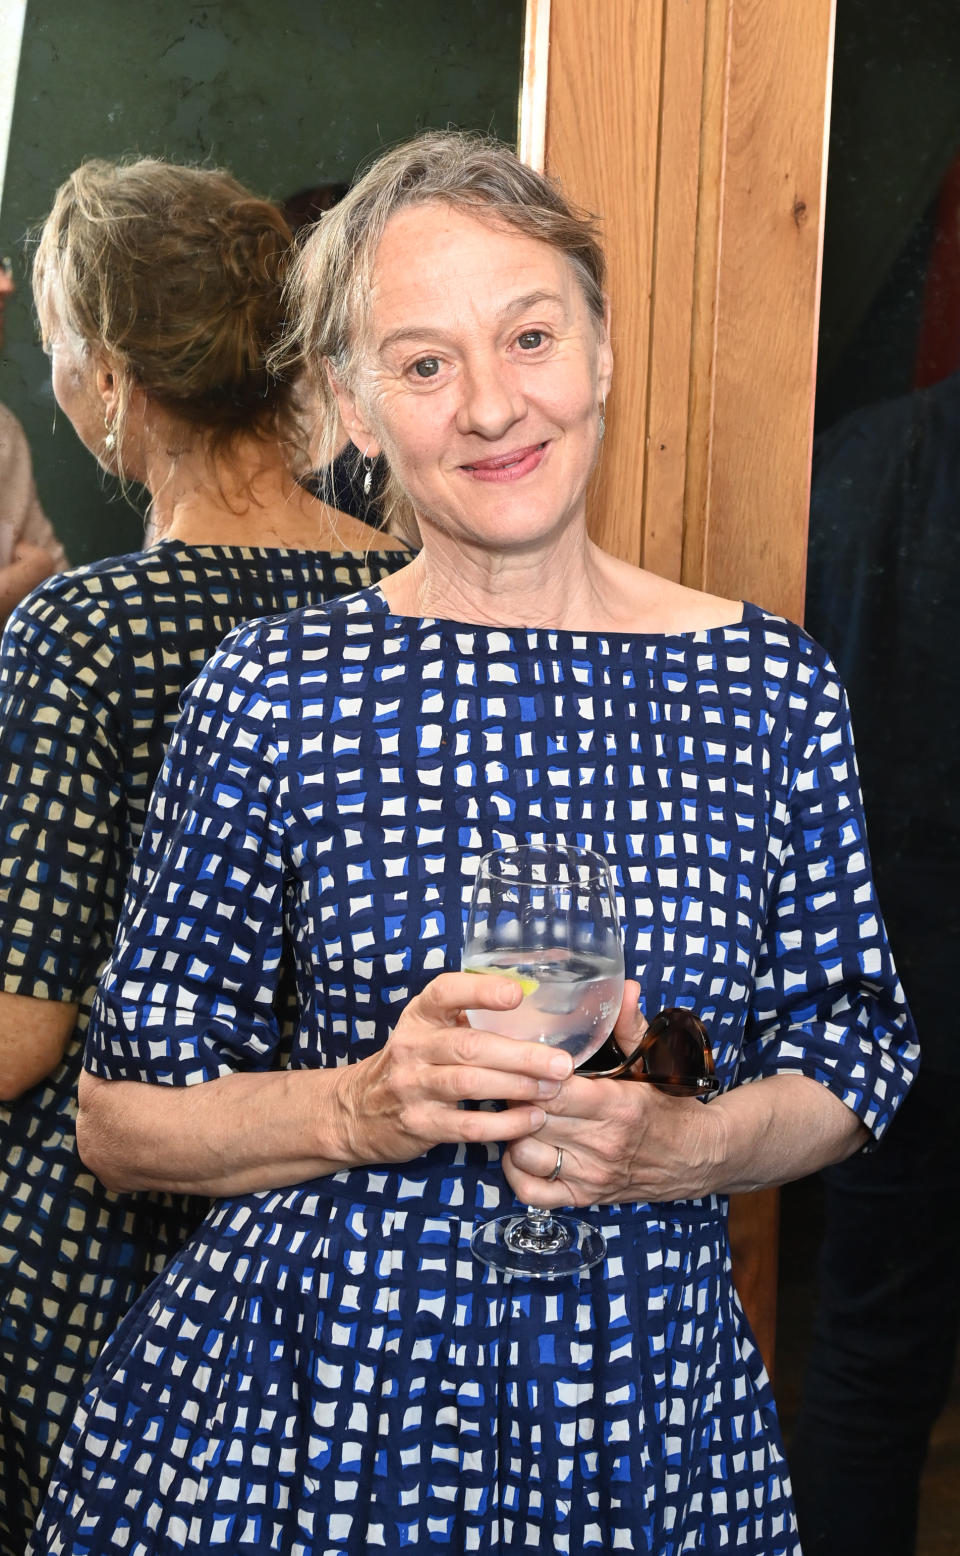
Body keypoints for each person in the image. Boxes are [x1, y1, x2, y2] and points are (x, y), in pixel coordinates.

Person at [30, 131, 917, 1556]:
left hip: (643, 1424)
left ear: (603, 351)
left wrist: (676, 1151)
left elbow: (855, 1057)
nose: (494, 404)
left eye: (531, 335)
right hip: (311, 1426)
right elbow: (119, 1121)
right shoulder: (274, 693)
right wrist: (359, 1107)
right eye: (425, 363)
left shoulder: (770, 690)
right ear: (351, 406)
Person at [0, 157, 412, 1553]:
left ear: (107, 378)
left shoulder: (85, 635)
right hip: (360, 1229)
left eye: (56, 346)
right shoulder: (412, 598)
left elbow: (20, 1032)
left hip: (105, 1253)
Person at [788, 370, 960, 1556]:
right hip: (890, 1005)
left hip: (892, 991)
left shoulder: (848, 467)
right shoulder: (854, 466)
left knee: (869, 1358)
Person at [0, 254, 67, 623]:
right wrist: (27, 573)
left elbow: (56, 578)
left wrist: (38, 569)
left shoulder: (3, 429)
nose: (7, 285)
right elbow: (40, 566)